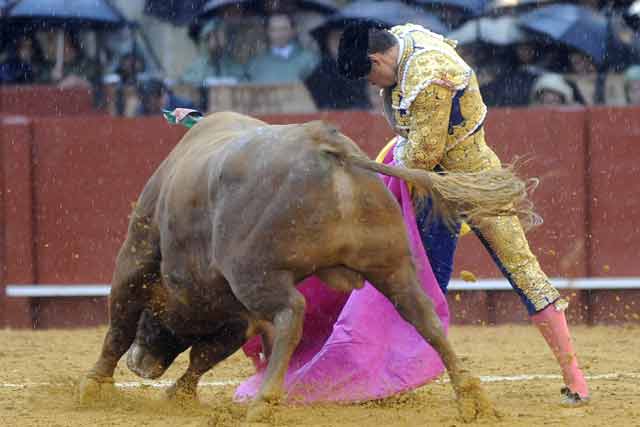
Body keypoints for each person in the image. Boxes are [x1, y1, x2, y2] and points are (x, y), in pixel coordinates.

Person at [336, 22, 589, 405]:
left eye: (370, 75)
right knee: (425, 280)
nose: (373, 85)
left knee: (514, 270)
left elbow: (423, 155)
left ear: (376, 58)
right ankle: (395, 372)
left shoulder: (428, 76)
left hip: (467, 182)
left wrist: (387, 159)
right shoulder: (403, 38)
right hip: (433, 187)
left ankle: (574, 377)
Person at [304, 27, 371, 110]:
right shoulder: (319, 71)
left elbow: (372, 99)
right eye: (335, 39)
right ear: (328, 43)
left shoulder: (367, 67)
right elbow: (318, 101)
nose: (340, 44)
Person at [246, 13, 318, 84]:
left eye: (284, 29)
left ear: (293, 31)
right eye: (273, 30)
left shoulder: (309, 59)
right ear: (267, 32)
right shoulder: (257, 61)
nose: (279, 34)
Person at [181, 19, 248, 87]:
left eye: (220, 35)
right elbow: (186, 83)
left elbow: (245, 83)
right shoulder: (198, 66)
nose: (216, 41)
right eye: (210, 37)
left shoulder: (235, 64)